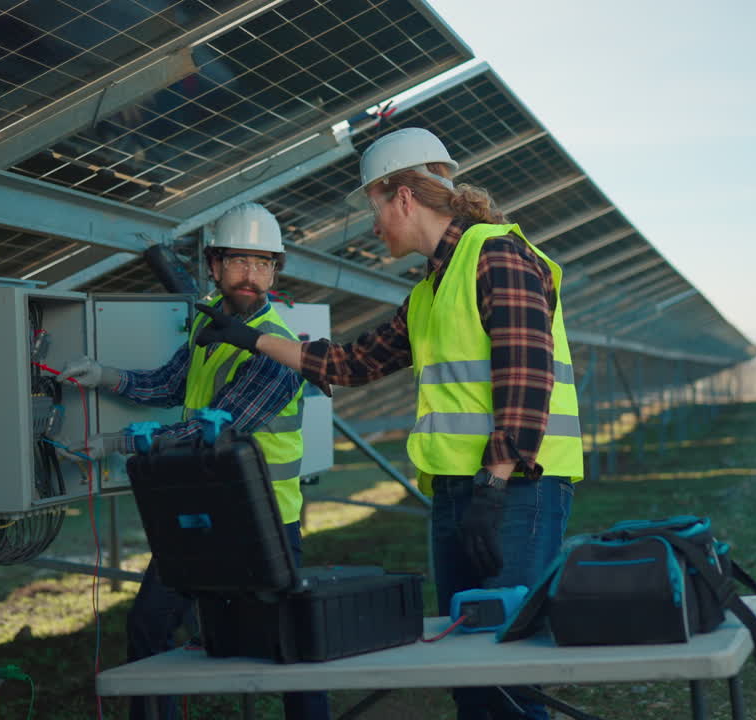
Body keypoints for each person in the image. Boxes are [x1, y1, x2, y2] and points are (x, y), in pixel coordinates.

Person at [195, 128, 584, 720]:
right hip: (463, 491)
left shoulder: (495, 254)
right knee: (468, 665)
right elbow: (354, 362)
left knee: (505, 669)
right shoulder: (431, 288)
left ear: (403, 197)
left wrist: (496, 482)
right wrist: (253, 338)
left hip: (516, 490)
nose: (373, 225)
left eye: (373, 208)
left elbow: (527, 376)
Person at [57, 202, 329, 720]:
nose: (251, 275)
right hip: (203, 519)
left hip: (264, 524)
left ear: (275, 271)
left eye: (263, 263)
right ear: (213, 266)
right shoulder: (210, 330)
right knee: (149, 626)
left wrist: (122, 443)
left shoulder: (281, 351)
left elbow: (218, 426)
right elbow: (165, 383)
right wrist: (105, 374)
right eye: (238, 262)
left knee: (289, 651)